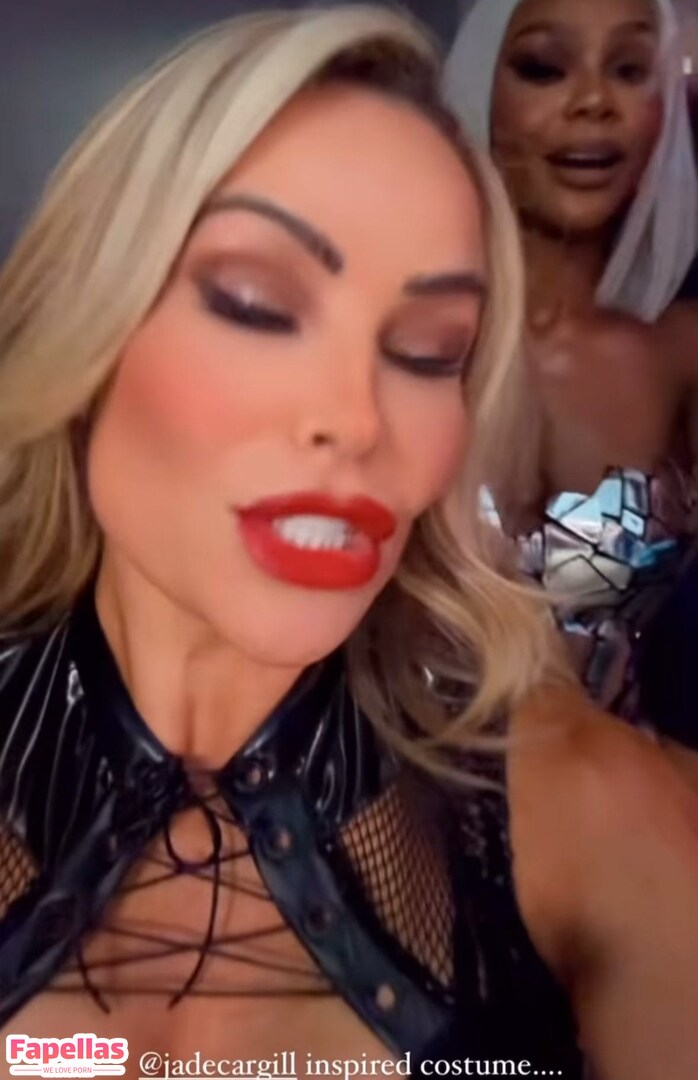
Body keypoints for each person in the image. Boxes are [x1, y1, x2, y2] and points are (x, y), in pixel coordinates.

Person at [0, 7, 696, 1079]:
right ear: (90, 327)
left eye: (429, 352)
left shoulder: (587, 815)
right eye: (256, 305)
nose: (359, 418)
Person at [445, 0, 698, 749]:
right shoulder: (394, 337)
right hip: (380, 804)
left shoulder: (683, 355)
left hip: (621, 796)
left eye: (629, 69)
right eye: (544, 68)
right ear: (479, 91)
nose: (594, 100)